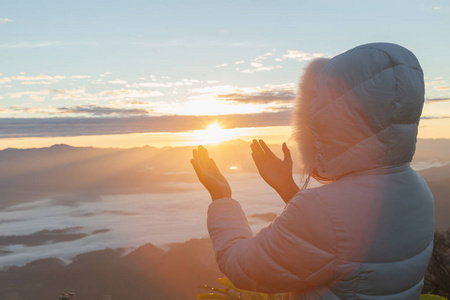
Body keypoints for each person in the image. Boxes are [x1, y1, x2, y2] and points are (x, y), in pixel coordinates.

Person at [190, 43, 434, 299]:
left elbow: (241, 267)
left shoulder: (325, 212)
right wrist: (285, 186)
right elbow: (339, 241)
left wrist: (221, 197)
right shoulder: (418, 189)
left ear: (330, 120)